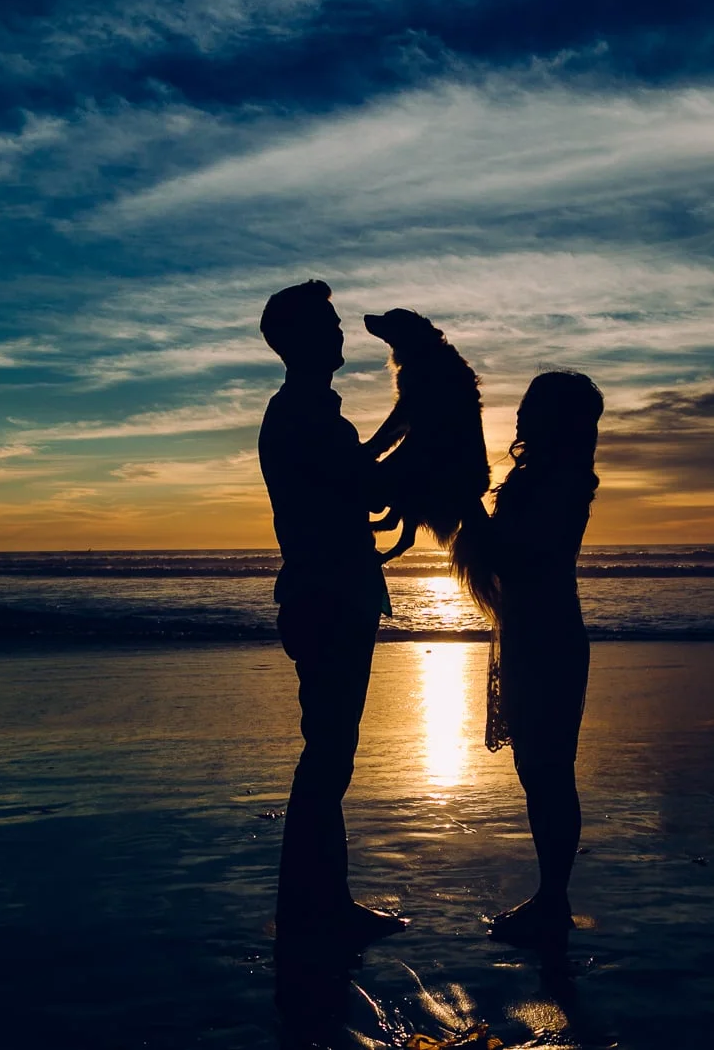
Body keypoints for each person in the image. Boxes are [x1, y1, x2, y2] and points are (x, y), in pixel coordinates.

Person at [257, 279, 405, 943]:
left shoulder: (309, 414)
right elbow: (367, 484)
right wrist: (420, 425)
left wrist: (406, 421)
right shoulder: (305, 416)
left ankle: (320, 901)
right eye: (330, 323)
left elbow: (359, 479)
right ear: (303, 339)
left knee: (329, 753)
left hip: (325, 594)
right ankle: (315, 907)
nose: (343, 331)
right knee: (327, 757)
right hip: (331, 596)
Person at [454, 370, 604, 944]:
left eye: (531, 408)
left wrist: (466, 507)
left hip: (547, 633)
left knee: (548, 771)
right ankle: (551, 896)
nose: (518, 417)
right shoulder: (540, 477)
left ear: (554, 419)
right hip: (530, 629)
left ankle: (553, 900)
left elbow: (518, 556)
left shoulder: (563, 482)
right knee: (538, 771)